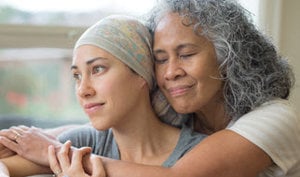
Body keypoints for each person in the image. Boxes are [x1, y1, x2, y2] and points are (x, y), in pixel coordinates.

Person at [1, 0, 299, 176]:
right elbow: (98, 128)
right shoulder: (180, 110)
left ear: (228, 56)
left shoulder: (277, 118)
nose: (170, 72)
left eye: (186, 54)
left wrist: (55, 152)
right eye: (159, 59)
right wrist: (22, 137)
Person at [0, 15, 205, 177]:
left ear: (142, 74)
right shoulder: (81, 142)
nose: (83, 90)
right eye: (77, 76)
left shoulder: (199, 155)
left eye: (98, 69)